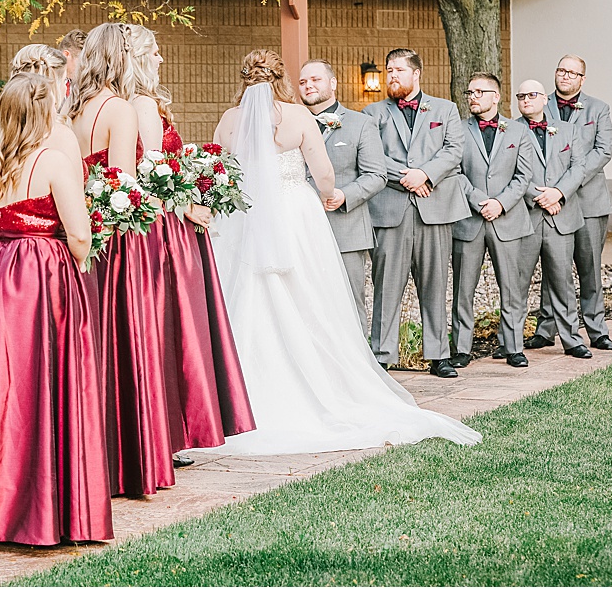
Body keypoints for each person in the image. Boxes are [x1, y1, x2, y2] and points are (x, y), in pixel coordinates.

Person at [206, 50, 481, 455]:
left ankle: (242, 393)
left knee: (245, 297)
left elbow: (219, 170)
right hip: (294, 219)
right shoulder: (297, 117)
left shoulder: (229, 121)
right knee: (311, 298)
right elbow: (325, 175)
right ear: (283, 79)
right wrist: (326, 193)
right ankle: (318, 382)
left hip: (245, 221)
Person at [0, 72, 112, 546]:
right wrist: (75, 266)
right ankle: (49, 508)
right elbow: (78, 233)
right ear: (44, 111)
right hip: (43, 273)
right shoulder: (53, 160)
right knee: (47, 381)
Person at [118, 24, 254, 456]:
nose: (161, 58)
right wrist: (188, 207)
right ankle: (171, 431)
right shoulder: (141, 104)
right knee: (173, 327)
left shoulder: (134, 103)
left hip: (165, 223)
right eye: (154, 52)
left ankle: (170, 430)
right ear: (138, 59)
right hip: (163, 232)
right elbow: (151, 176)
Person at [64, 23, 171, 496]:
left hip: (82, 234)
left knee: (90, 339)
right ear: (120, 56)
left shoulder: (72, 108)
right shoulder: (120, 110)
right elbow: (126, 184)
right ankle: (130, 457)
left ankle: (90, 450)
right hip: (121, 236)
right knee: (127, 338)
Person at [364, 48, 470, 377]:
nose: (391, 76)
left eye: (398, 70)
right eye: (388, 70)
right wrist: (407, 178)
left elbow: (454, 151)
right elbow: (372, 156)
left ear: (416, 74)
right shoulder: (372, 112)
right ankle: (382, 355)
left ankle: (439, 355)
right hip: (390, 209)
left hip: (434, 208)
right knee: (386, 285)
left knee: (435, 283)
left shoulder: (446, 109)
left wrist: (425, 174)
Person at [528, 55, 612, 352]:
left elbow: (603, 152)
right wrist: (551, 191)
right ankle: (546, 327)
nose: (565, 76)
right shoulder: (542, 105)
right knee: (554, 266)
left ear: (582, 78)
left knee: (589, 268)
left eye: (572, 72)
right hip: (550, 202)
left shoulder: (598, 109)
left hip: (589, 201)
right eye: (561, 70)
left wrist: (565, 186)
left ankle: (597, 329)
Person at [451, 72, 537, 369]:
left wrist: (500, 203)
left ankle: (513, 346)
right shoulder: (458, 130)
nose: (472, 97)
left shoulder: (517, 132)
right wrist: (478, 200)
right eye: (470, 92)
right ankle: (462, 348)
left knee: (512, 287)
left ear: (495, 96)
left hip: (508, 220)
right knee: (463, 288)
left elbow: (524, 176)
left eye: (479, 92)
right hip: (469, 221)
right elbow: (454, 172)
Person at [298, 59, 386, 334]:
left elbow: (376, 175)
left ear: (333, 83)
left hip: (346, 229)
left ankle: (358, 368)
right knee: (306, 305)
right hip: (301, 230)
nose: (308, 85)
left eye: (315, 79)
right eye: (302, 82)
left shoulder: (362, 124)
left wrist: (344, 195)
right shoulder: (291, 124)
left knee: (350, 302)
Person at [513, 79, 591, 359]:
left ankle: (571, 339)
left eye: (532, 94)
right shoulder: (509, 130)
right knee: (517, 282)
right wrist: (540, 196)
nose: (526, 100)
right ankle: (509, 343)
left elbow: (579, 167)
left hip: (561, 216)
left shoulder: (569, 130)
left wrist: (558, 193)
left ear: (544, 98)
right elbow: (509, 172)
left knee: (562, 281)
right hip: (527, 217)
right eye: (521, 96)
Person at [10, 43, 83, 162]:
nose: (66, 88)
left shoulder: (1, 137)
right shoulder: (62, 136)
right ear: (54, 87)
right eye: (65, 81)